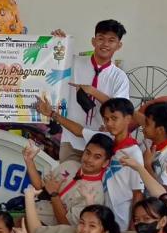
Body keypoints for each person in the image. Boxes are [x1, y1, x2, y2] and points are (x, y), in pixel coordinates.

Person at [42, 96, 144, 230]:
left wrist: (133, 229)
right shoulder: (106, 140)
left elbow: (138, 194)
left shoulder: (134, 153)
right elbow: (79, 130)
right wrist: (52, 114)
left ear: (128, 119)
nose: (109, 123)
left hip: (122, 221)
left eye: (114, 118)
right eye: (106, 119)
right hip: (101, 215)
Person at [53, 20, 129, 161]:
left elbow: (121, 109)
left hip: (102, 144)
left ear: (119, 45)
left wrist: (93, 92)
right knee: (66, 174)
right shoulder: (73, 63)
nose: (105, 44)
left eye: (111, 40)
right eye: (101, 38)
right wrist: (57, 42)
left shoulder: (119, 77)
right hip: (71, 140)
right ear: (93, 41)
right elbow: (53, 59)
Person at [22, 135, 112, 227]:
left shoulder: (96, 194)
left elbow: (66, 225)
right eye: (88, 153)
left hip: (51, 229)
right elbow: (39, 186)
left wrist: (54, 195)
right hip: (34, 212)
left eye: (97, 157)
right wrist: (29, 161)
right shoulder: (70, 165)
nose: (89, 159)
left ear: (105, 163)